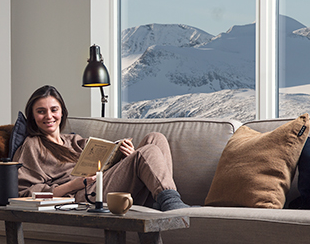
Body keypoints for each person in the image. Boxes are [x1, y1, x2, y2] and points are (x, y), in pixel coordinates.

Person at [13, 85, 189, 211]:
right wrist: (72, 184)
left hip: (101, 181)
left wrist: (128, 155)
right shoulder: (33, 145)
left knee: (155, 138)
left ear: (62, 112)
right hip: (82, 194)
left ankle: (159, 198)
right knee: (147, 153)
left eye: (54, 109)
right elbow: (26, 193)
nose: (49, 116)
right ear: (32, 116)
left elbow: (104, 164)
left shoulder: (74, 140)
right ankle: (170, 201)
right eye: (41, 111)